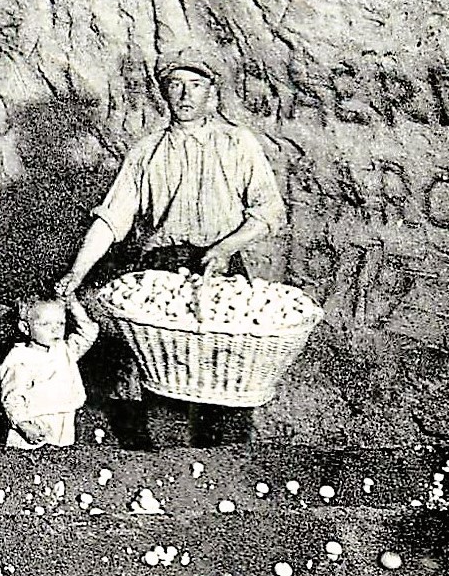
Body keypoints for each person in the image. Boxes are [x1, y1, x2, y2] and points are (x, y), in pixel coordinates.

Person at [55, 48, 287, 447]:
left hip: (222, 269)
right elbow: (112, 219)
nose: (185, 94)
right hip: (162, 272)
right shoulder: (146, 152)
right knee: (166, 370)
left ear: (211, 92)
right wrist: (77, 271)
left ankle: (226, 462)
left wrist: (228, 246)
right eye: (176, 85)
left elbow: (269, 212)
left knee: (226, 371)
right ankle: (171, 465)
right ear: (163, 92)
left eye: (196, 85)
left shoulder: (238, 144)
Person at [0, 294, 99, 449]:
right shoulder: (20, 360)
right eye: (45, 324)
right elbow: (12, 397)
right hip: (34, 423)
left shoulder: (64, 350)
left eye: (60, 323)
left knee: (58, 459)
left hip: (64, 419)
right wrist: (23, 424)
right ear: (25, 327)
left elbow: (88, 332)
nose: (55, 329)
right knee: (31, 460)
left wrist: (72, 303)